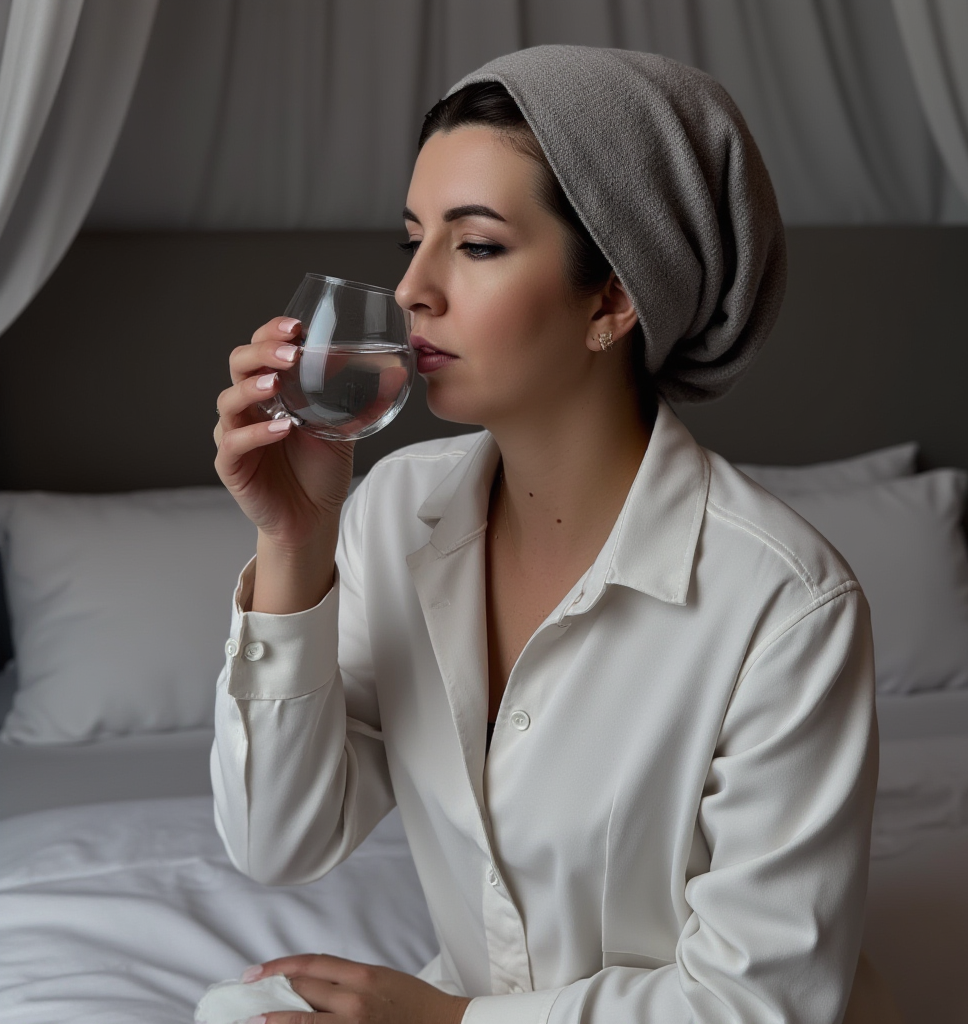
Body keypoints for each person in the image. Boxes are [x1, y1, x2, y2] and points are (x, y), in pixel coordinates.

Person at [211, 45, 894, 1024]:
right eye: (412, 240)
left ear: (612, 297)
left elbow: (755, 1004)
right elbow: (280, 841)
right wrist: (296, 542)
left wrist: (449, 1021)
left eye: (477, 245)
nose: (411, 291)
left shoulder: (786, 607)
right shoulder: (394, 512)